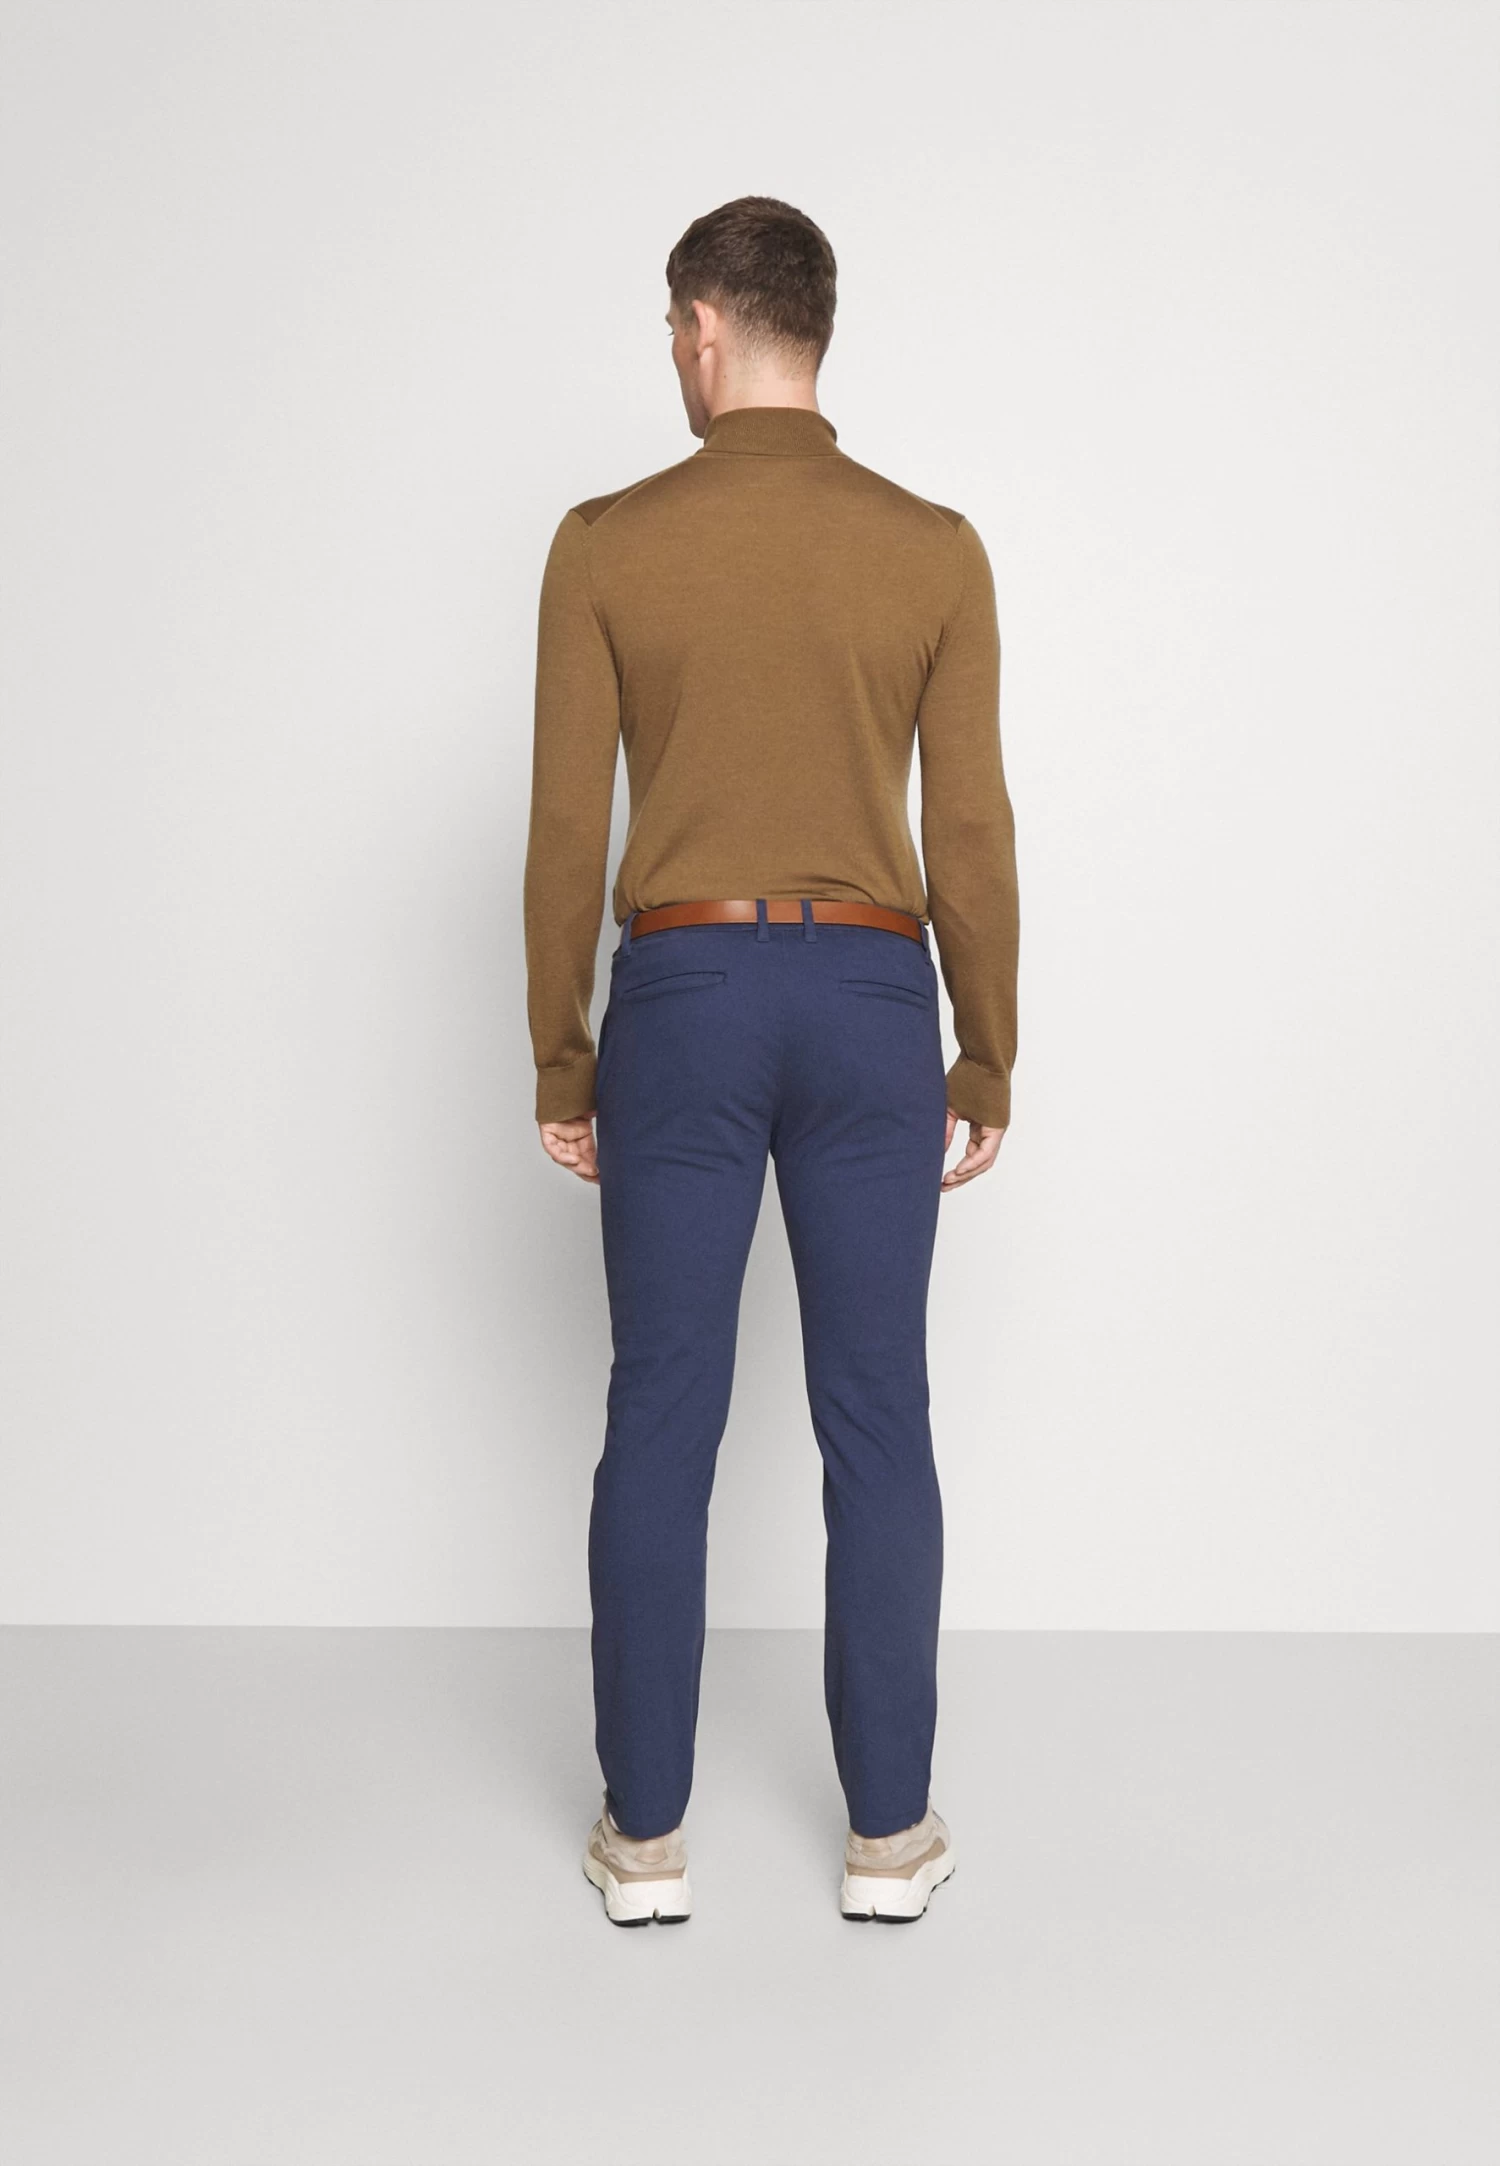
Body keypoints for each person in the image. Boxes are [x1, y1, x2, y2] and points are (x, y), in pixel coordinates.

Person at [523, 196, 1019, 1926]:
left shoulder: (605, 542)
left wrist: (562, 1057)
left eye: (674, 330)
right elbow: (970, 827)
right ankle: (888, 1837)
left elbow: (565, 830)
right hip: (877, 1001)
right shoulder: (934, 548)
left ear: (706, 329)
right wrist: (988, 1049)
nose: (673, 354)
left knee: (662, 1408)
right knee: (878, 1411)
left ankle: (646, 1837)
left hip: (685, 992)